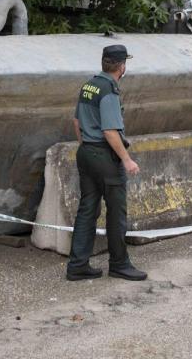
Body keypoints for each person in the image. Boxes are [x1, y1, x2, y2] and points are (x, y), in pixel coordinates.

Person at [66, 44, 148, 281]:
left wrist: (86, 145)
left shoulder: (89, 85)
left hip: (87, 153)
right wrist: (126, 159)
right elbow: (110, 131)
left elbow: (75, 122)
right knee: (116, 213)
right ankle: (119, 264)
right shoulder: (109, 90)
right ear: (122, 66)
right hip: (105, 158)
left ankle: (77, 265)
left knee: (87, 210)